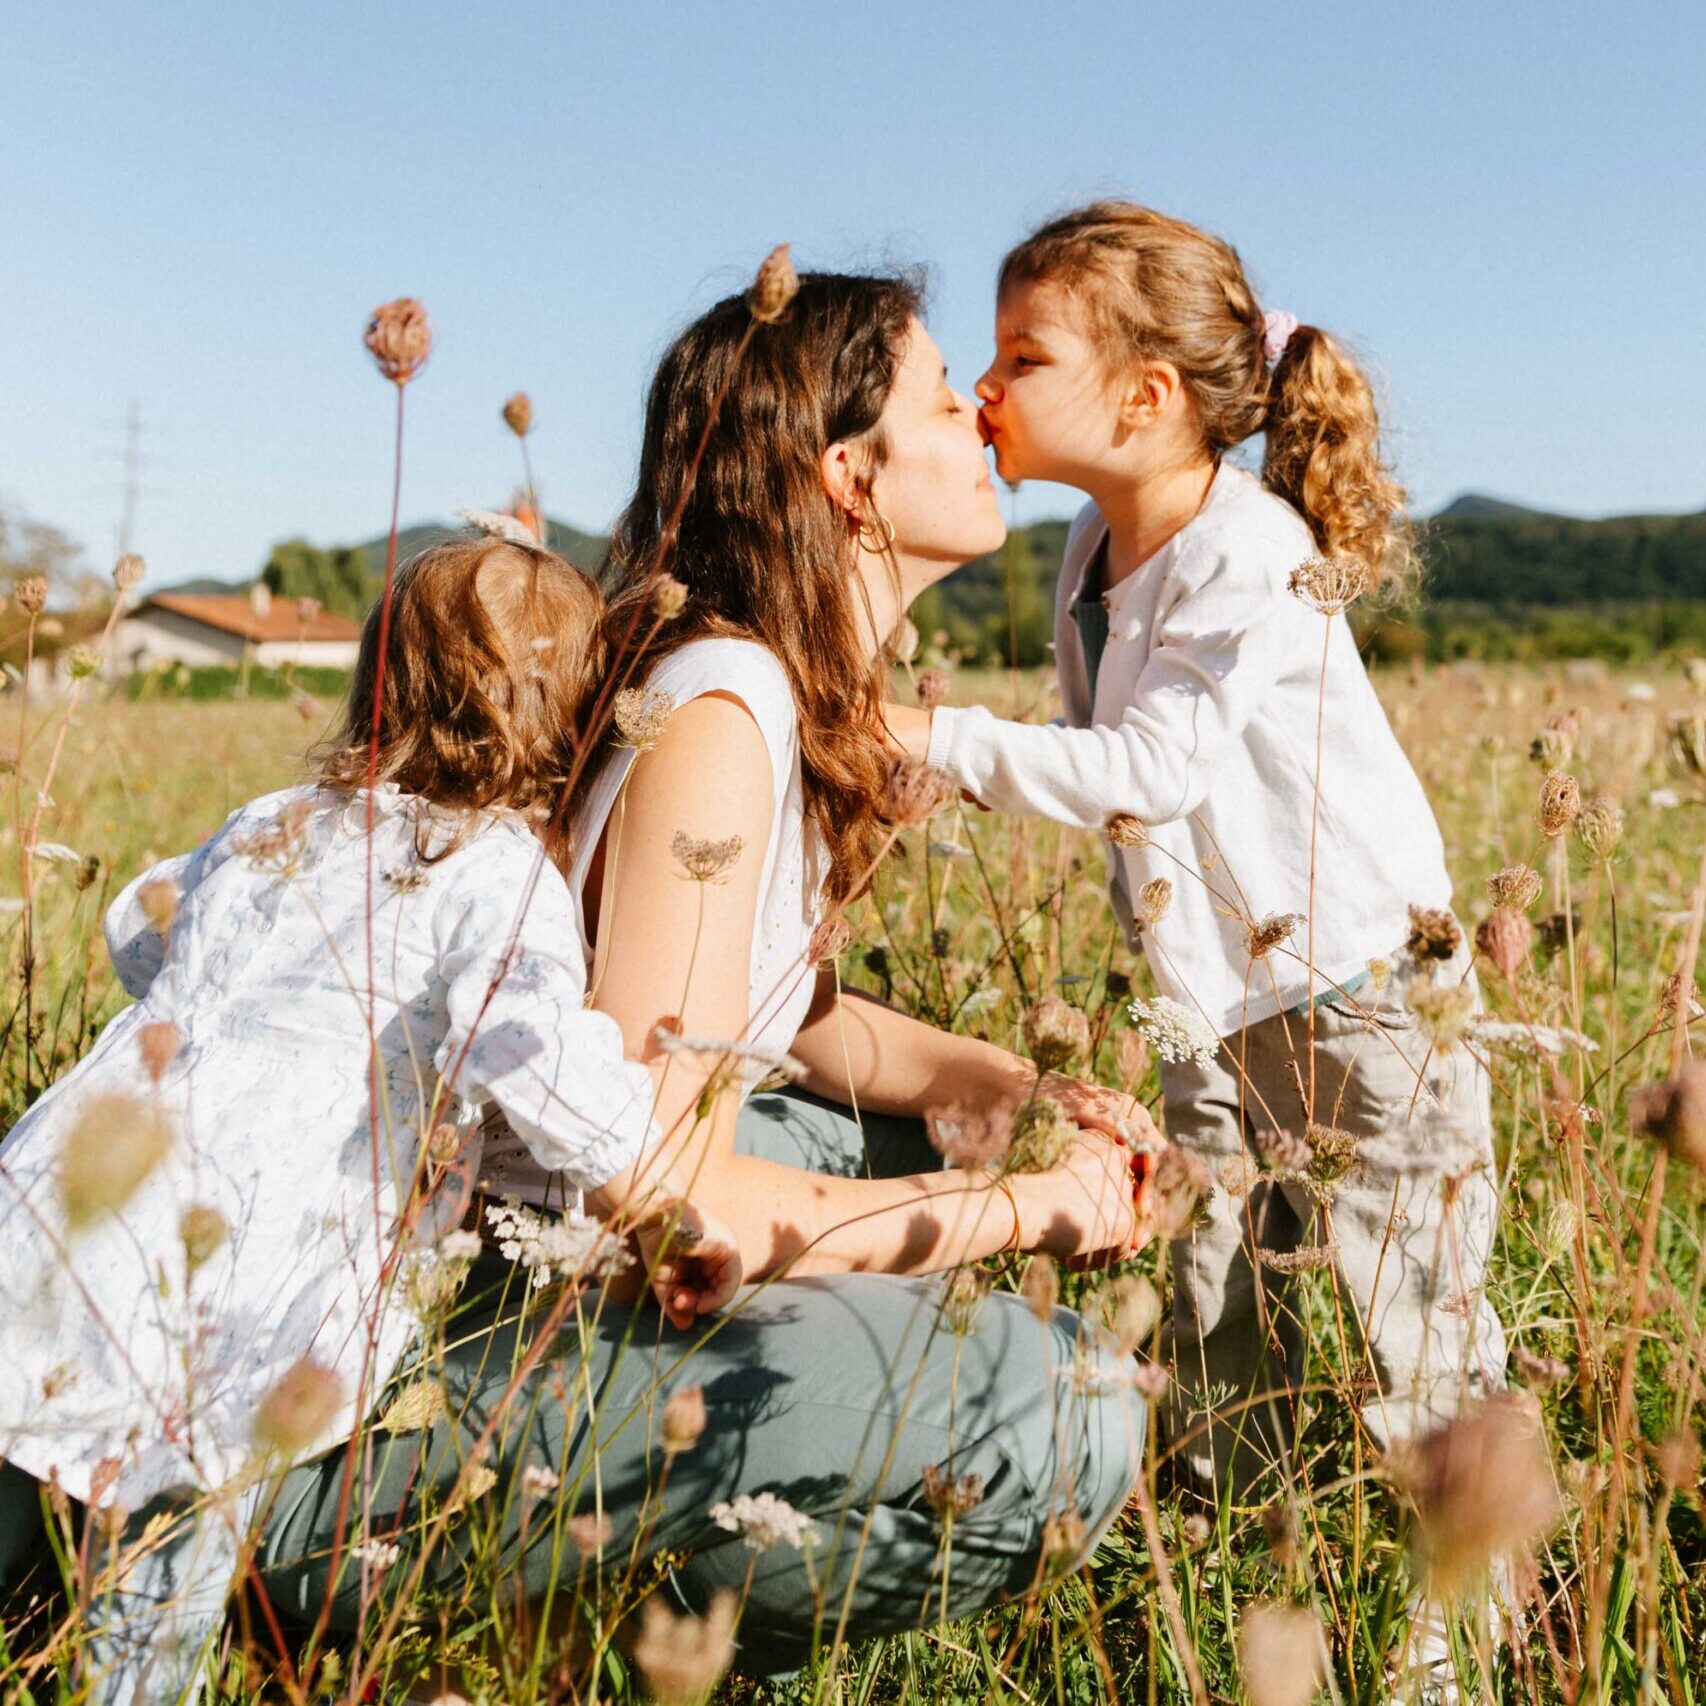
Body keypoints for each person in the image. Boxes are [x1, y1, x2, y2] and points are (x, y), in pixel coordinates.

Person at [345, 268, 1153, 1675]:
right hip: (470, 1348)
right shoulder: (727, 706)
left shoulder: (749, 677)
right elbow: (668, 1184)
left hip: (560, 1274)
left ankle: (707, 1511)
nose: (977, 408)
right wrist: (1015, 1205)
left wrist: (1011, 1088)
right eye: (937, 390)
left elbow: (770, 1012)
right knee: (1072, 1404)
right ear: (848, 475)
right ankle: (599, 1623)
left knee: (898, 1131)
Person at [884, 202, 1508, 1506]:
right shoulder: (1087, 545)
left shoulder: (1247, 549)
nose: (984, 383)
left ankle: (1471, 1609)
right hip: (1195, 1001)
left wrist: (932, 735)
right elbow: (1089, 753)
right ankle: (1235, 1534)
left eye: (1022, 353)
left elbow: (1150, 771)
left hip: (1357, 995)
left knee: (1412, 1306)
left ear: (1143, 395)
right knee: (1205, 1267)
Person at [0, 538, 687, 1702]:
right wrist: (640, 1154)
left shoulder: (285, 814)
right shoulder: (494, 870)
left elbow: (135, 926)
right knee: (162, 1558)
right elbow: (513, 1034)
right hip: (243, 1271)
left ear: (378, 682)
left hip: (69, 1186)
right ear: (570, 717)